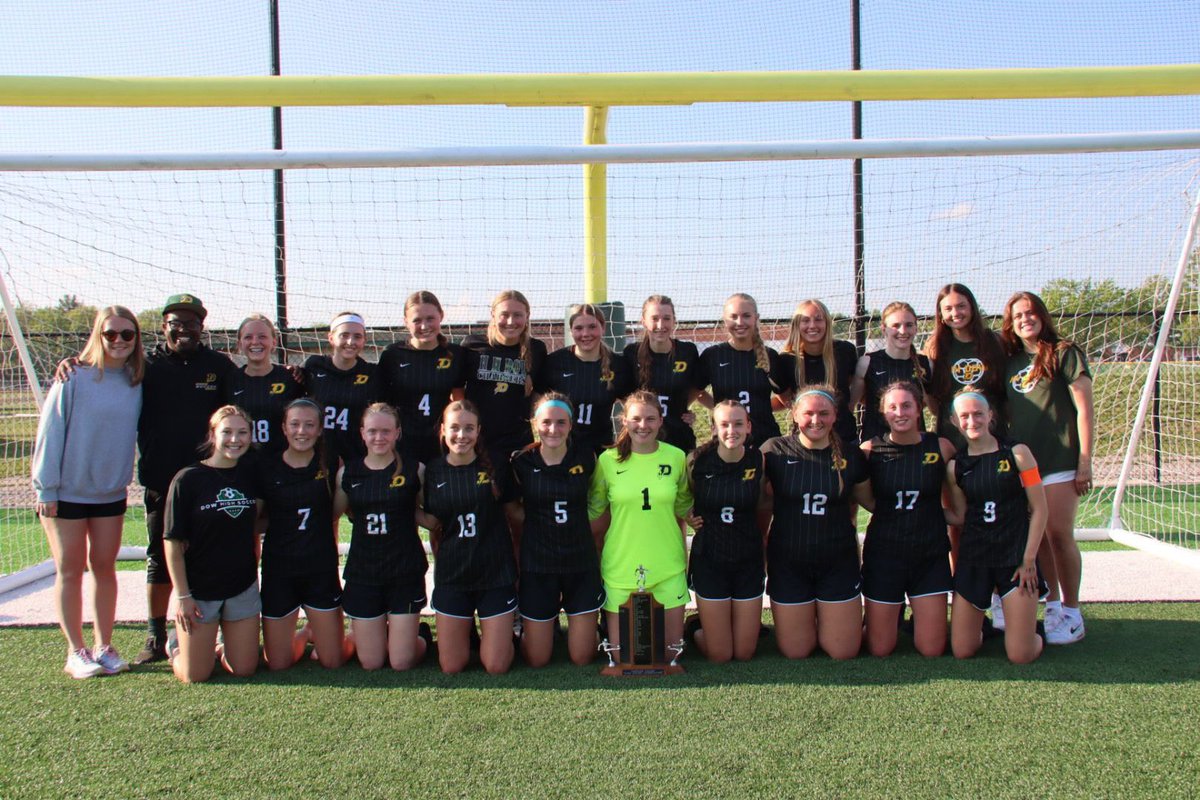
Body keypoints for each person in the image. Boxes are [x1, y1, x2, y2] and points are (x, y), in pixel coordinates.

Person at [33, 306, 144, 678]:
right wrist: (46, 488)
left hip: (110, 493)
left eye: (126, 334)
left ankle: (104, 645)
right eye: (110, 333)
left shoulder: (137, 380)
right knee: (70, 570)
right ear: (97, 334)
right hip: (65, 493)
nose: (118, 341)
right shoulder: (73, 377)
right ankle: (75, 650)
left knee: (104, 568)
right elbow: (50, 433)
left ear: (136, 338)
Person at [135, 293, 234, 664]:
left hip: (210, 478)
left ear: (202, 327)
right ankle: (155, 634)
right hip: (162, 479)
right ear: (165, 327)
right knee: (160, 555)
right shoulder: (146, 365)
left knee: (216, 552)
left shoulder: (218, 366)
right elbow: (106, 369)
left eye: (192, 323)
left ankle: (225, 626)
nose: (184, 329)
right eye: (177, 323)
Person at [1001, 291, 1093, 644]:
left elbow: (1084, 408)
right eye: (1018, 315)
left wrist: (1084, 460)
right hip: (1025, 464)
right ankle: (1052, 606)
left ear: (1042, 315)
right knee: (1036, 537)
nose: (1025, 320)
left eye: (1031, 313)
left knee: (1058, 533)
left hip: (1059, 459)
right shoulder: (1009, 361)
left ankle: (1072, 611)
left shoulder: (1064, 353)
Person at [761, 387, 870, 660]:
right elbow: (752, 497)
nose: (815, 420)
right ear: (795, 414)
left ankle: (839, 621)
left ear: (835, 416)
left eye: (823, 413)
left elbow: (872, 503)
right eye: (808, 413)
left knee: (842, 652)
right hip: (788, 562)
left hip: (837, 562)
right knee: (796, 652)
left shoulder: (851, 455)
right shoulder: (774, 450)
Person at [588, 390, 693, 662]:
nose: (643, 425)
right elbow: (594, 509)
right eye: (636, 419)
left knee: (669, 656)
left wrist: (701, 517)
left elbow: (683, 504)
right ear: (624, 421)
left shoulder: (676, 457)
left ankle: (694, 626)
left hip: (667, 564)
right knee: (624, 658)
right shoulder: (607, 461)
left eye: (650, 419)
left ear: (660, 421)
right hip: (620, 566)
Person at [945, 391, 1047, 664]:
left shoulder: (1018, 453)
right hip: (975, 557)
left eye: (978, 414)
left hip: (1014, 558)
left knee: (1020, 656)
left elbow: (1040, 509)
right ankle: (989, 628)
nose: (972, 421)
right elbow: (960, 515)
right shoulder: (956, 466)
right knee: (962, 651)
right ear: (955, 421)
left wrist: (1028, 560)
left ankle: (1033, 635)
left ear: (990, 415)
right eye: (964, 416)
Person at [164, 405, 261, 683]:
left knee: (244, 669)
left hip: (241, 585)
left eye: (242, 432)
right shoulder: (188, 479)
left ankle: (218, 644)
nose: (235, 439)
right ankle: (175, 646)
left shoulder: (250, 474)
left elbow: (259, 520)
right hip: (200, 591)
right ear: (212, 435)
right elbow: (172, 542)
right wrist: (183, 596)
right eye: (227, 432)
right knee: (195, 675)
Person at [421, 400, 519, 674]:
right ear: (443, 430)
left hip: (495, 572)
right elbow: (430, 519)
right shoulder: (433, 470)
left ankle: (504, 637)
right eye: (454, 428)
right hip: (454, 573)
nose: (461, 435)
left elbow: (515, 512)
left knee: (495, 665)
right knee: (452, 666)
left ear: (478, 431)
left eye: (468, 429)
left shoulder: (497, 465)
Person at [859, 382, 956, 657]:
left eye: (906, 406)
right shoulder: (869, 450)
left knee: (931, 649)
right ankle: (878, 619)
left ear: (918, 410)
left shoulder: (941, 447)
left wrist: (940, 517)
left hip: (929, 554)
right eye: (892, 407)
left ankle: (916, 618)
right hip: (885, 554)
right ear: (883, 413)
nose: (899, 412)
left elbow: (957, 501)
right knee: (879, 649)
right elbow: (866, 499)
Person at [507, 393, 603, 667]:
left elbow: (599, 502)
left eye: (561, 422)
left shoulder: (587, 458)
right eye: (546, 422)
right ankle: (529, 631)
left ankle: (594, 628)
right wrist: (538, 524)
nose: (553, 429)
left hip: (580, 562)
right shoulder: (521, 461)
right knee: (537, 659)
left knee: (583, 657)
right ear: (535, 423)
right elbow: (512, 507)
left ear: (571, 425)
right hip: (539, 563)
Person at [333, 402, 429, 671]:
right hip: (364, 572)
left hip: (404, 570)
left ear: (397, 433)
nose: (379, 437)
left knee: (401, 662)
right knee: (372, 662)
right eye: (372, 431)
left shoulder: (415, 470)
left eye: (386, 431)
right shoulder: (348, 473)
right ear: (362, 433)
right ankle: (382, 634)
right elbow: (331, 515)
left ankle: (421, 636)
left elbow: (428, 515)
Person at [256, 399, 347, 670]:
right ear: (284, 428)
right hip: (279, 569)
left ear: (320, 429)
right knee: (278, 664)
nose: (302, 431)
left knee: (333, 661)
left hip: (319, 568)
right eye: (294, 424)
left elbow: (336, 512)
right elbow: (255, 521)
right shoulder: (268, 467)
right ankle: (304, 633)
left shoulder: (330, 463)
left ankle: (328, 633)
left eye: (309, 425)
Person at [685, 401, 766, 662]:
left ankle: (720, 624)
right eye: (724, 424)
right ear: (713, 428)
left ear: (749, 426)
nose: (732, 430)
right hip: (710, 558)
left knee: (744, 653)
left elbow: (764, 503)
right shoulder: (696, 461)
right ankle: (695, 627)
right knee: (720, 655)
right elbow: (680, 499)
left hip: (748, 557)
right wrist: (688, 515)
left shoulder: (758, 459)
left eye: (738, 423)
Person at [377, 291, 467, 467]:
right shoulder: (392, 354)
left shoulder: (456, 354)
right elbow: (382, 401)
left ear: (441, 316)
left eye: (430, 318)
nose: (424, 326)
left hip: (440, 440)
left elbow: (459, 400)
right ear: (406, 322)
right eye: (417, 320)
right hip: (402, 440)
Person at [462, 290, 548, 470]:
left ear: (527, 316)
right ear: (493, 315)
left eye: (517, 315)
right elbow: (457, 391)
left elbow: (539, 397)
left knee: (515, 497)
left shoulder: (537, 349)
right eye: (504, 315)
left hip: (517, 441)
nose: (511, 321)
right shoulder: (472, 346)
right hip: (477, 440)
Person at [699, 293, 795, 447]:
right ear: (725, 320)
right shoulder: (713, 355)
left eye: (746, 316)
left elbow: (786, 399)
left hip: (765, 441)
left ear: (756, 318)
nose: (740, 322)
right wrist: (720, 409)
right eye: (734, 316)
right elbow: (697, 391)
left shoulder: (769, 356)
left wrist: (760, 406)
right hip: (728, 441)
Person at [535, 303, 632, 455]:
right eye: (579, 328)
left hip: (602, 449)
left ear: (603, 327)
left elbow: (634, 407)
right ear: (571, 331)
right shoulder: (554, 362)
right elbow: (535, 402)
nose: (586, 333)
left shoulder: (618, 365)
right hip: (561, 450)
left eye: (592, 327)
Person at [924, 284, 1006, 451]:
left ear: (972, 308)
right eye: (948, 308)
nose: (955, 313)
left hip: (992, 435)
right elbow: (932, 400)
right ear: (941, 314)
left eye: (961, 306)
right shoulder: (934, 347)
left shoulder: (994, 341)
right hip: (952, 437)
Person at [622, 295, 704, 453]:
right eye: (654, 318)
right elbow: (624, 395)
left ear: (674, 321)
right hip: (642, 436)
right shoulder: (631, 353)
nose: (661, 325)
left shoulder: (688, 351)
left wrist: (683, 407)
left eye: (666, 318)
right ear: (643, 321)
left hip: (678, 436)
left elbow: (698, 387)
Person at [304, 311, 378, 471]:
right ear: (331, 338)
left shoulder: (372, 374)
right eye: (344, 335)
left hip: (356, 455)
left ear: (364, 340)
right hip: (317, 455)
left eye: (357, 336)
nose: (350, 341)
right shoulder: (314, 366)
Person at [850, 301, 933, 443]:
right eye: (896, 326)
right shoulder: (867, 363)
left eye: (909, 325)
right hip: (876, 445)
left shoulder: (926, 364)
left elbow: (929, 405)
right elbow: (852, 405)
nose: (903, 331)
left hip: (915, 446)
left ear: (916, 328)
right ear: (884, 329)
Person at [223, 313, 304, 456]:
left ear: (274, 342)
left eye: (262, 336)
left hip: (281, 462)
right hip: (241, 462)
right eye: (248, 337)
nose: (255, 342)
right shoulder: (230, 381)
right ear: (239, 344)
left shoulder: (290, 378)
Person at [781, 299, 859, 444]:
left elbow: (851, 387)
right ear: (797, 325)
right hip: (805, 440)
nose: (812, 325)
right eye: (805, 320)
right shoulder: (787, 359)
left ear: (827, 323)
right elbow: (786, 398)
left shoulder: (844, 351)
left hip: (844, 437)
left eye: (818, 319)